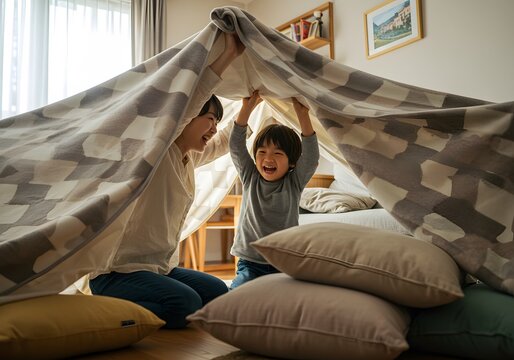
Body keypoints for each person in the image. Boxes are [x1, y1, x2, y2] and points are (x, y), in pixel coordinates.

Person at [89, 32, 246, 329]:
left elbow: (227, 139)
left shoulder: (190, 157)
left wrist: (252, 104)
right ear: (185, 119)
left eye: (216, 121)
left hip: (159, 269)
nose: (214, 128)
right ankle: (104, 310)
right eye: (208, 119)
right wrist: (227, 57)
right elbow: (192, 98)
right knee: (185, 304)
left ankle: (133, 312)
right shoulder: (158, 152)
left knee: (217, 294)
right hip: (119, 272)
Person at [229, 91, 319, 289]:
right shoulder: (250, 176)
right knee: (238, 293)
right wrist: (246, 109)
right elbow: (236, 146)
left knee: (288, 298)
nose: (268, 159)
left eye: (277, 153)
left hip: (283, 262)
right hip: (250, 262)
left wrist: (303, 116)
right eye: (262, 152)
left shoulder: (294, 182)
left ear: (292, 162)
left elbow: (311, 157)